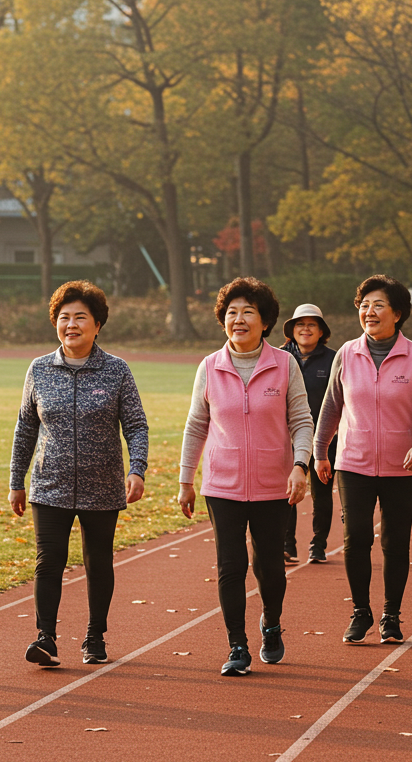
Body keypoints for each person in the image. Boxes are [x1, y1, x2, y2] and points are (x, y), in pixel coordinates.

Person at [179, 277, 313, 677]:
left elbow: (302, 421)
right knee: (230, 566)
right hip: (222, 486)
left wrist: (300, 465)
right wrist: (186, 480)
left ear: (265, 320)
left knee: (270, 566)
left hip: (275, 485)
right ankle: (237, 645)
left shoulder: (285, 364)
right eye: (232, 313)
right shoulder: (209, 367)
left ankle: (271, 624)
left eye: (248, 312)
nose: (239, 319)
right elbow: (195, 426)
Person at [10, 281, 149, 667]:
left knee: (98, 561)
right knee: (48, 561)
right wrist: (15, 481)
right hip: (48, 485)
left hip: (102, 486)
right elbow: (25, 427)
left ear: (98, 324)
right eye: (64, 317)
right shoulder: (39, 369)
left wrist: (137, 468)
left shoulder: (116, 370)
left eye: (80, 318)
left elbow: (136, 425)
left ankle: (95, 636)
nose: (71, 325)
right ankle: (45, 637)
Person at [315, 275, 412, 645]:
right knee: (355, 539)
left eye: (378, 305)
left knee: (395, 542)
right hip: (353, 463)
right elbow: (331, 406)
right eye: (364, 305)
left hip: (403, 466)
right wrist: (320, 451)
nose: (369, 312)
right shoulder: (347, 354)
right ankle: (360, 612)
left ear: (397, 313)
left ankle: (391, 615)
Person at [281, 303, 338, 565]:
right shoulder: (278, 357)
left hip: (325, 438)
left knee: (321, 494)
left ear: (321, 331)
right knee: (287, 490)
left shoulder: (333, 359)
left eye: (311, 324)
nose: (305, 329)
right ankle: (286, 545)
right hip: (286, 437)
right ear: (292, 329)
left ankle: (318, 545)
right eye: (300, 324)